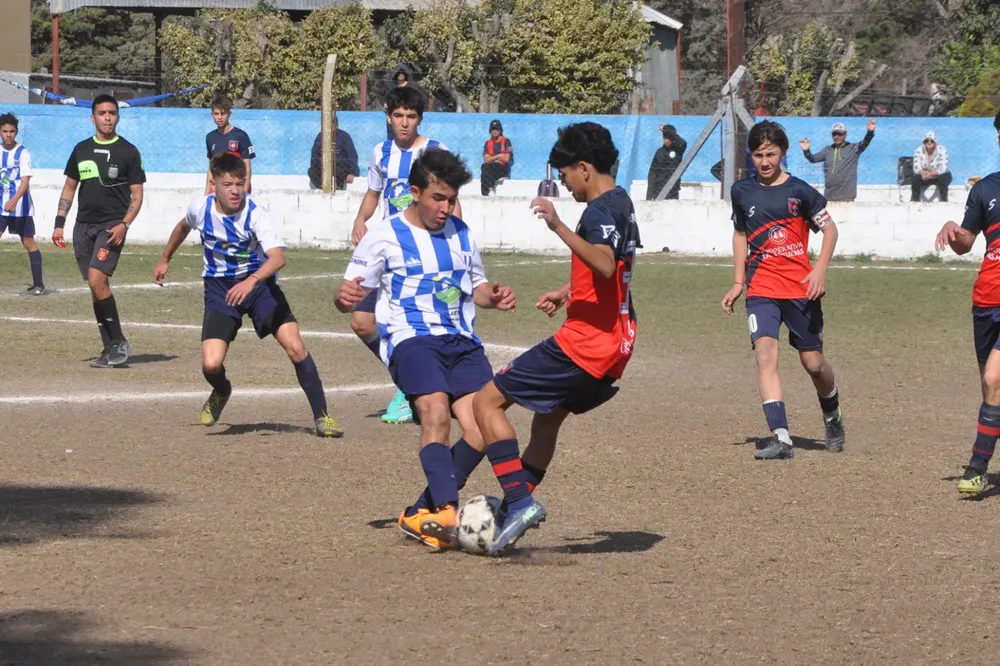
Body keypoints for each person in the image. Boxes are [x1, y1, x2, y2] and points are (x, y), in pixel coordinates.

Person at [335, 149, 516, 550]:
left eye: (451, 199)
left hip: (462, 342)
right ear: (415, 192)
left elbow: (478, 288)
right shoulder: (384, 236)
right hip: (411, 339)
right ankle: (447, 512)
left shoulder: (462, 234)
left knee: (482, 427)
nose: (445, 207)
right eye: (438, 198)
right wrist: (344, 297)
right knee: (435, 411)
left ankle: (422, 510)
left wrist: (494, 297)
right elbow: (348, 296)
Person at [473, 122, 640, 556]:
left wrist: (558, 226)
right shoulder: (621, 202)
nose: (564, 183)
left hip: (584, 345)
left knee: (485, 402)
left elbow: (604, 264)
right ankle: (515, 506)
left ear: (583, 167)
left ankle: (520, 500)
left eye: (565, 173)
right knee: (546, 420)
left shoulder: (598, 211)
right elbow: (616, 270)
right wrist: (569, 291)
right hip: (615, 345)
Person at [154, 153, 343, 438]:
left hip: (259, 286)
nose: (235, 190)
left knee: (295, 346)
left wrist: (251, 281)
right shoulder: (200, 209)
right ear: (214, 184)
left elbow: (278, 258)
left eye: (240, 183)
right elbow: (182, 227)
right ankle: (222, 390)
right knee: (211, 363)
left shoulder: (255, 213)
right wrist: (165, 258)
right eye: (228, 184)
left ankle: (322, 417)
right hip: (219, 288)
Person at [720, 120, 845, 460]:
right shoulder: (741, 192)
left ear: (783, 153)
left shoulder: (800, 192)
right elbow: (741, 235)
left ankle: (832, 412)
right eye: (758, 154)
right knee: (765, 355)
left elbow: (830, 231)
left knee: (814, 363)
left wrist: (819, 269)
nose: (764, 161)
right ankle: (781, 437)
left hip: (800, 289)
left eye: (771, 154)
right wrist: (737, 282)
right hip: (761, 287)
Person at [350, 86, 458, 425]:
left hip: (423, 254)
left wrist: (457, 246)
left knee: (417, 325)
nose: (404, 123)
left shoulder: (436, 152)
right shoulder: (380, 153)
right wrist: (360, 218)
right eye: (398, 116)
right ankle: (411, 381)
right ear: (388, 117)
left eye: (411, 116)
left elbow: (451, 202)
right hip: (386, 252)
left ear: (420, 119)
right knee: (361, 321)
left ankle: (418, 388)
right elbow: (373, 194)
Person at [52, 94, 145, 369]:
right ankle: (109, 348)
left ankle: (118, 341)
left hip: (111, 227)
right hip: (83, 227)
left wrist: (124, 225)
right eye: (102, 113)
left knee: (96, 280)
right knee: (96, 288)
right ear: (92, 117)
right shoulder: (81, 149)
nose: (107, 117)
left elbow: (137, 197)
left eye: (112, 113)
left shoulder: (129, 151)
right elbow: (69, 188)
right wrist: (59, 222)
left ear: (117, 117)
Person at [935, 111, 1000, 495]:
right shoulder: (986, 190)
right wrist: (952, 230)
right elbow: (966, 243)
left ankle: (977, 467)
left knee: (994, 379)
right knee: (989, 390)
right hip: (986, 297)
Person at [0, 112, 44, 295]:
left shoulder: (23, 152)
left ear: (16, 132)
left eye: (12, 131)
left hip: (21, 205)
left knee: (28, 242)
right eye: (5, 131)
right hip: (2, 205)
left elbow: (25, 182)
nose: (8, 134)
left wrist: (14, 200)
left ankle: (38, 285)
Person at [800, 119, 876, 202]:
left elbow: (865, 143)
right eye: (834, 134)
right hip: (829, 196)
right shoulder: (827, 150)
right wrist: (806, 150)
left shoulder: (853, 149)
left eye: (839, 134)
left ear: (845, 134)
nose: (837, 136)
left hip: (847, 197)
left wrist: (870, 132)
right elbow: (813, 159)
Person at [205, 94, 255, 195]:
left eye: (222, 113)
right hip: (219, 190)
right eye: (216, 114)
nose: (219, 117)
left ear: (229, 114)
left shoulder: (241, 136)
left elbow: (247, 168)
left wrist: (244, 193)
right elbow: (211, 168)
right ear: (212, 115)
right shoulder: (210, 137)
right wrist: (206, 193)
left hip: (236, 189)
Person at [308, 125, 359, 191]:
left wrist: (352, 173)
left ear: (336, 125)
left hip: (339, 167)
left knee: (341, 169)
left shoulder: (344, 136)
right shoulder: (320, 136)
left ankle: (338, 187)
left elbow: (352, 155)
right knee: (312, 171)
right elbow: (314, 155)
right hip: (323, 167)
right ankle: (322, 187)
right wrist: (315, 166)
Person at [646, 124, 687, 200]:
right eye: (665, 138)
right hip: (658, 191)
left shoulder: (678, 150)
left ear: (674, 137)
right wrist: (649, 195)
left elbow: (683, 143)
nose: (667, 140)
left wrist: (666, 129)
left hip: (672, 190)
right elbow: (652, 173)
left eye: (669, 138)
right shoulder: (659, 152)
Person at [912, 130, 951, 202]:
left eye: (932, 141)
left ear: (935, 142)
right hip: (925, 176)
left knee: (943, 178)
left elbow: (943, 169)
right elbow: (916, 167)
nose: (929, 142)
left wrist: (931, 173)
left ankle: (944, 201)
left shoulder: (942, 150)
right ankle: (914, 201)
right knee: (915, 178)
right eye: (926, 141)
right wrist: (922, 173)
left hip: (939, 175)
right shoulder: (918, 150)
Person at [481, 119, 512, 196]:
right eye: (493, 129)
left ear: (500, 130)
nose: (495, 131)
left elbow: (506, 159)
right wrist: (499, 156)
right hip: (491, 168)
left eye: (497, 129)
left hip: (502, 168)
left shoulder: (506, 141)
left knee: (487, 168)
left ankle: (488, 191)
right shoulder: (487, 143)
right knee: (485, 167)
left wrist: (491, 158)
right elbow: (486, 160)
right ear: (490, 130)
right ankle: (489, 192)